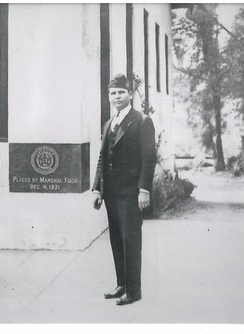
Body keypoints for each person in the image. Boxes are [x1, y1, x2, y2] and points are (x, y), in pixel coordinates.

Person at [92, 74, 157, 305]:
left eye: (121, 92)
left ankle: (134, 291)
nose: (116, 96)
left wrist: (144, 190)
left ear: (129, 94)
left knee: (130, 239)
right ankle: (121, 284)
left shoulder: (141, 120)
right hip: (110, 192)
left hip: (131, 192)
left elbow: (149, 158)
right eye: (113, 93)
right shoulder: (109, 123)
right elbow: (102, 156)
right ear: (108, 97)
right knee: (117, 239)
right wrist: (97, 189)